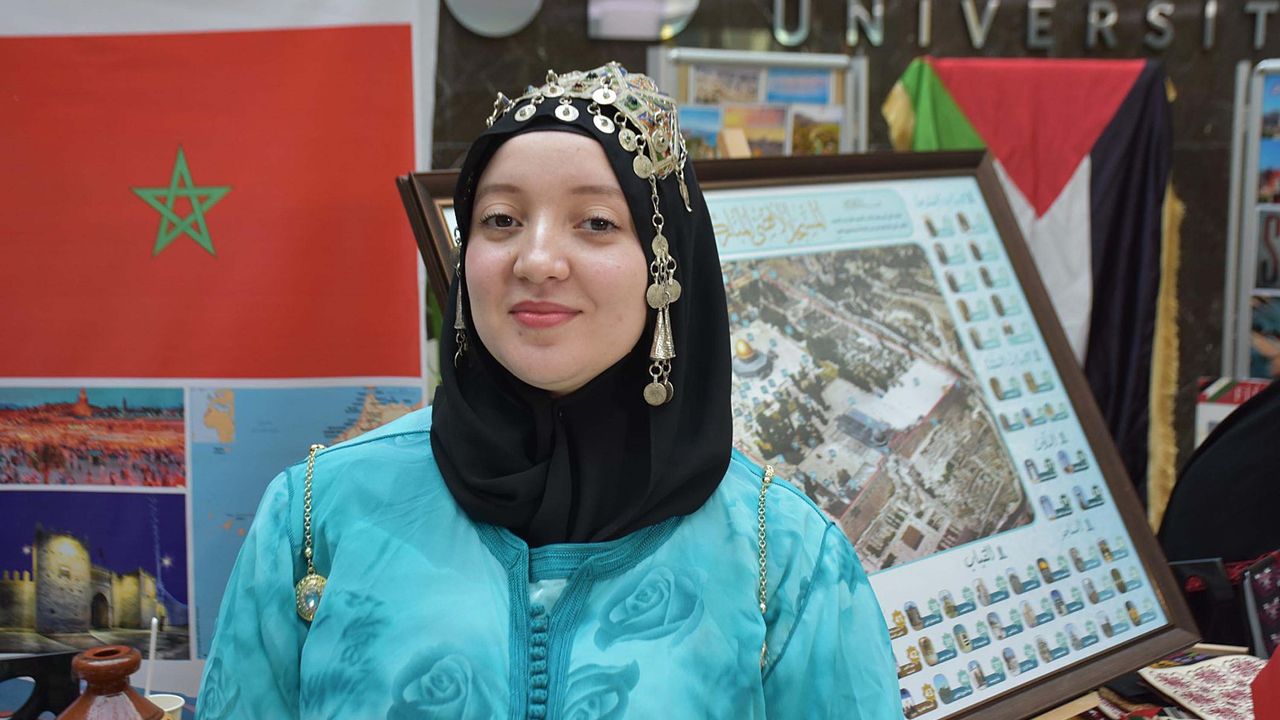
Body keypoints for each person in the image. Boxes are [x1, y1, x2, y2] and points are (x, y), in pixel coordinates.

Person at [196, 63, 899, 719]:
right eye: (501, 219)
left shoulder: (785, 555)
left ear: (666, 265)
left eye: (596, 222)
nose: (536, 261)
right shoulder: (316, 514)